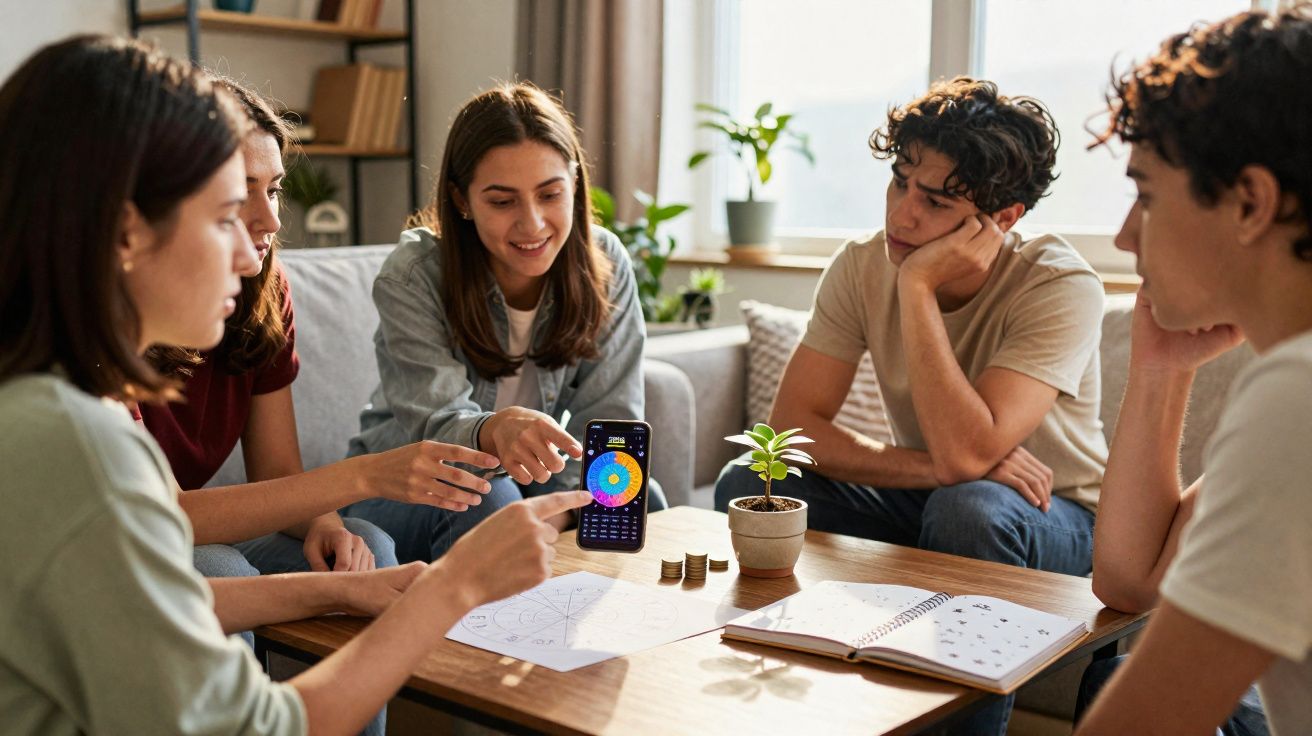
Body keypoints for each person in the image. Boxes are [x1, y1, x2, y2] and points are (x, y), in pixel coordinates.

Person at [0, 35, 592, 735]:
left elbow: (144, 601)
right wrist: (455, 584)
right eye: (224, 216)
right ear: (126, 231)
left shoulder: (40, 408)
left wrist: (346, 587)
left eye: (269, 197)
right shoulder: (80, 444)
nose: (258, 242)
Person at [715, 77, 1106, 578]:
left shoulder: (1058, 284)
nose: (902, 216)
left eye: (936, 203)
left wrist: (917, 285)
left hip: (1055, 513)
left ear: (1003, 218)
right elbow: (794, 430)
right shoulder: (860, 264)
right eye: (901, 181)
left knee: (969, 509)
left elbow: (965, 454)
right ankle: (797, 646)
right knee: (753, 482)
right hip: (936, 493)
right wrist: (934, 470)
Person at [1074, 6, 1312, 735]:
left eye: (1145, 195)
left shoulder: (1297, 398)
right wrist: (1157, 366)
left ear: (1249, 201)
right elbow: (1132, 580)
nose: (1123, 234)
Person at [342, 81, 664, 564]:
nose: (532, 224)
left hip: (519, 495)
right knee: (489, 497)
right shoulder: (414, 276)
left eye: (550, 194)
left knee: (640, 499)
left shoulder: (605, 263)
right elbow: (437, 424)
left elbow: (611, 424)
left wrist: (555, 511)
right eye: (502, 201)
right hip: (411, 490)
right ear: (462, 201)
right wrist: (498, 431)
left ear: (574, 183)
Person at [131, 79, 395, 578]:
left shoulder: (264, 292)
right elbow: (162, 514)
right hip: (136, 533)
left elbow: (276, 471)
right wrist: (364, 476)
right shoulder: (105, 320)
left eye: (273, 190)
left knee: (365, 546)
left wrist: (323, 520)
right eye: (238, 197)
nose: (271, 220)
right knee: (219, 567)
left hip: (175, 523)